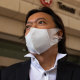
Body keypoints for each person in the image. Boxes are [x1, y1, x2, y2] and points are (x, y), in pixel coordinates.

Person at [1, 7, 80, 80]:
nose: (32, 29)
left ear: (58, 34)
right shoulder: (7, 74)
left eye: (41, 22)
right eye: (28, 26)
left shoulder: (77, 73)